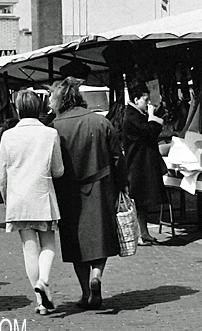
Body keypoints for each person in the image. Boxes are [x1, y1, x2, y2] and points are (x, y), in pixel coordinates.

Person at [50, 77, 126, 310]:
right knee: (100, 237)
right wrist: (122, 186)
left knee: (75, 243)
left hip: (67, 190)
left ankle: (86, 292)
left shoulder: (54, 127)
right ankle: (97, 274)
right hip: (100, 187)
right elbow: (117, 158)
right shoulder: (100, 122)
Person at [0, 90, 65, 315]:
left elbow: (2, 175)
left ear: (17, 110)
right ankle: (43, 280)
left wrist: (8, 200)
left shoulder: (8, 136)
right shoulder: (50, 134)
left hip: (18, 199)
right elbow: (58, 170)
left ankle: (40, 301)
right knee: (48, 244)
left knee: (29, 248)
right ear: (39, 108)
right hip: (42, 196)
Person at [122, 80, 168, 245]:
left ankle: (144, 232)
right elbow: (149, 132)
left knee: (143, 202)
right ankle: (140, 234)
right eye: (145, 100)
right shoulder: (132, 116)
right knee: (139, 200)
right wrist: (154, 119)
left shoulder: (136, 115)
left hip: (142, 163)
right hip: (138, 164)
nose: (148, 103)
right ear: (136, 100)